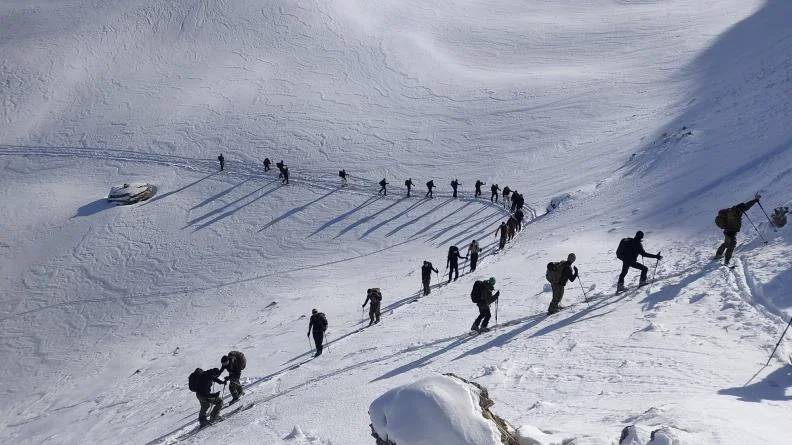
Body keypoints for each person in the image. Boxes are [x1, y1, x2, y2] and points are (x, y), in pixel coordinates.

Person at [714, 196, 760, 265]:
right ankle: (727, 261)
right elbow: (745, 207)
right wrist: (755, 201)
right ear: (739, 209)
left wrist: (754, 201)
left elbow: (747, 205)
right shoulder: (733, 213)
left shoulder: (735, 210)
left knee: (726, 243)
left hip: (728, 231)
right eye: (742, 210)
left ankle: (718, 254)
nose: (743, 212)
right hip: (730, 232)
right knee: (732, 244)